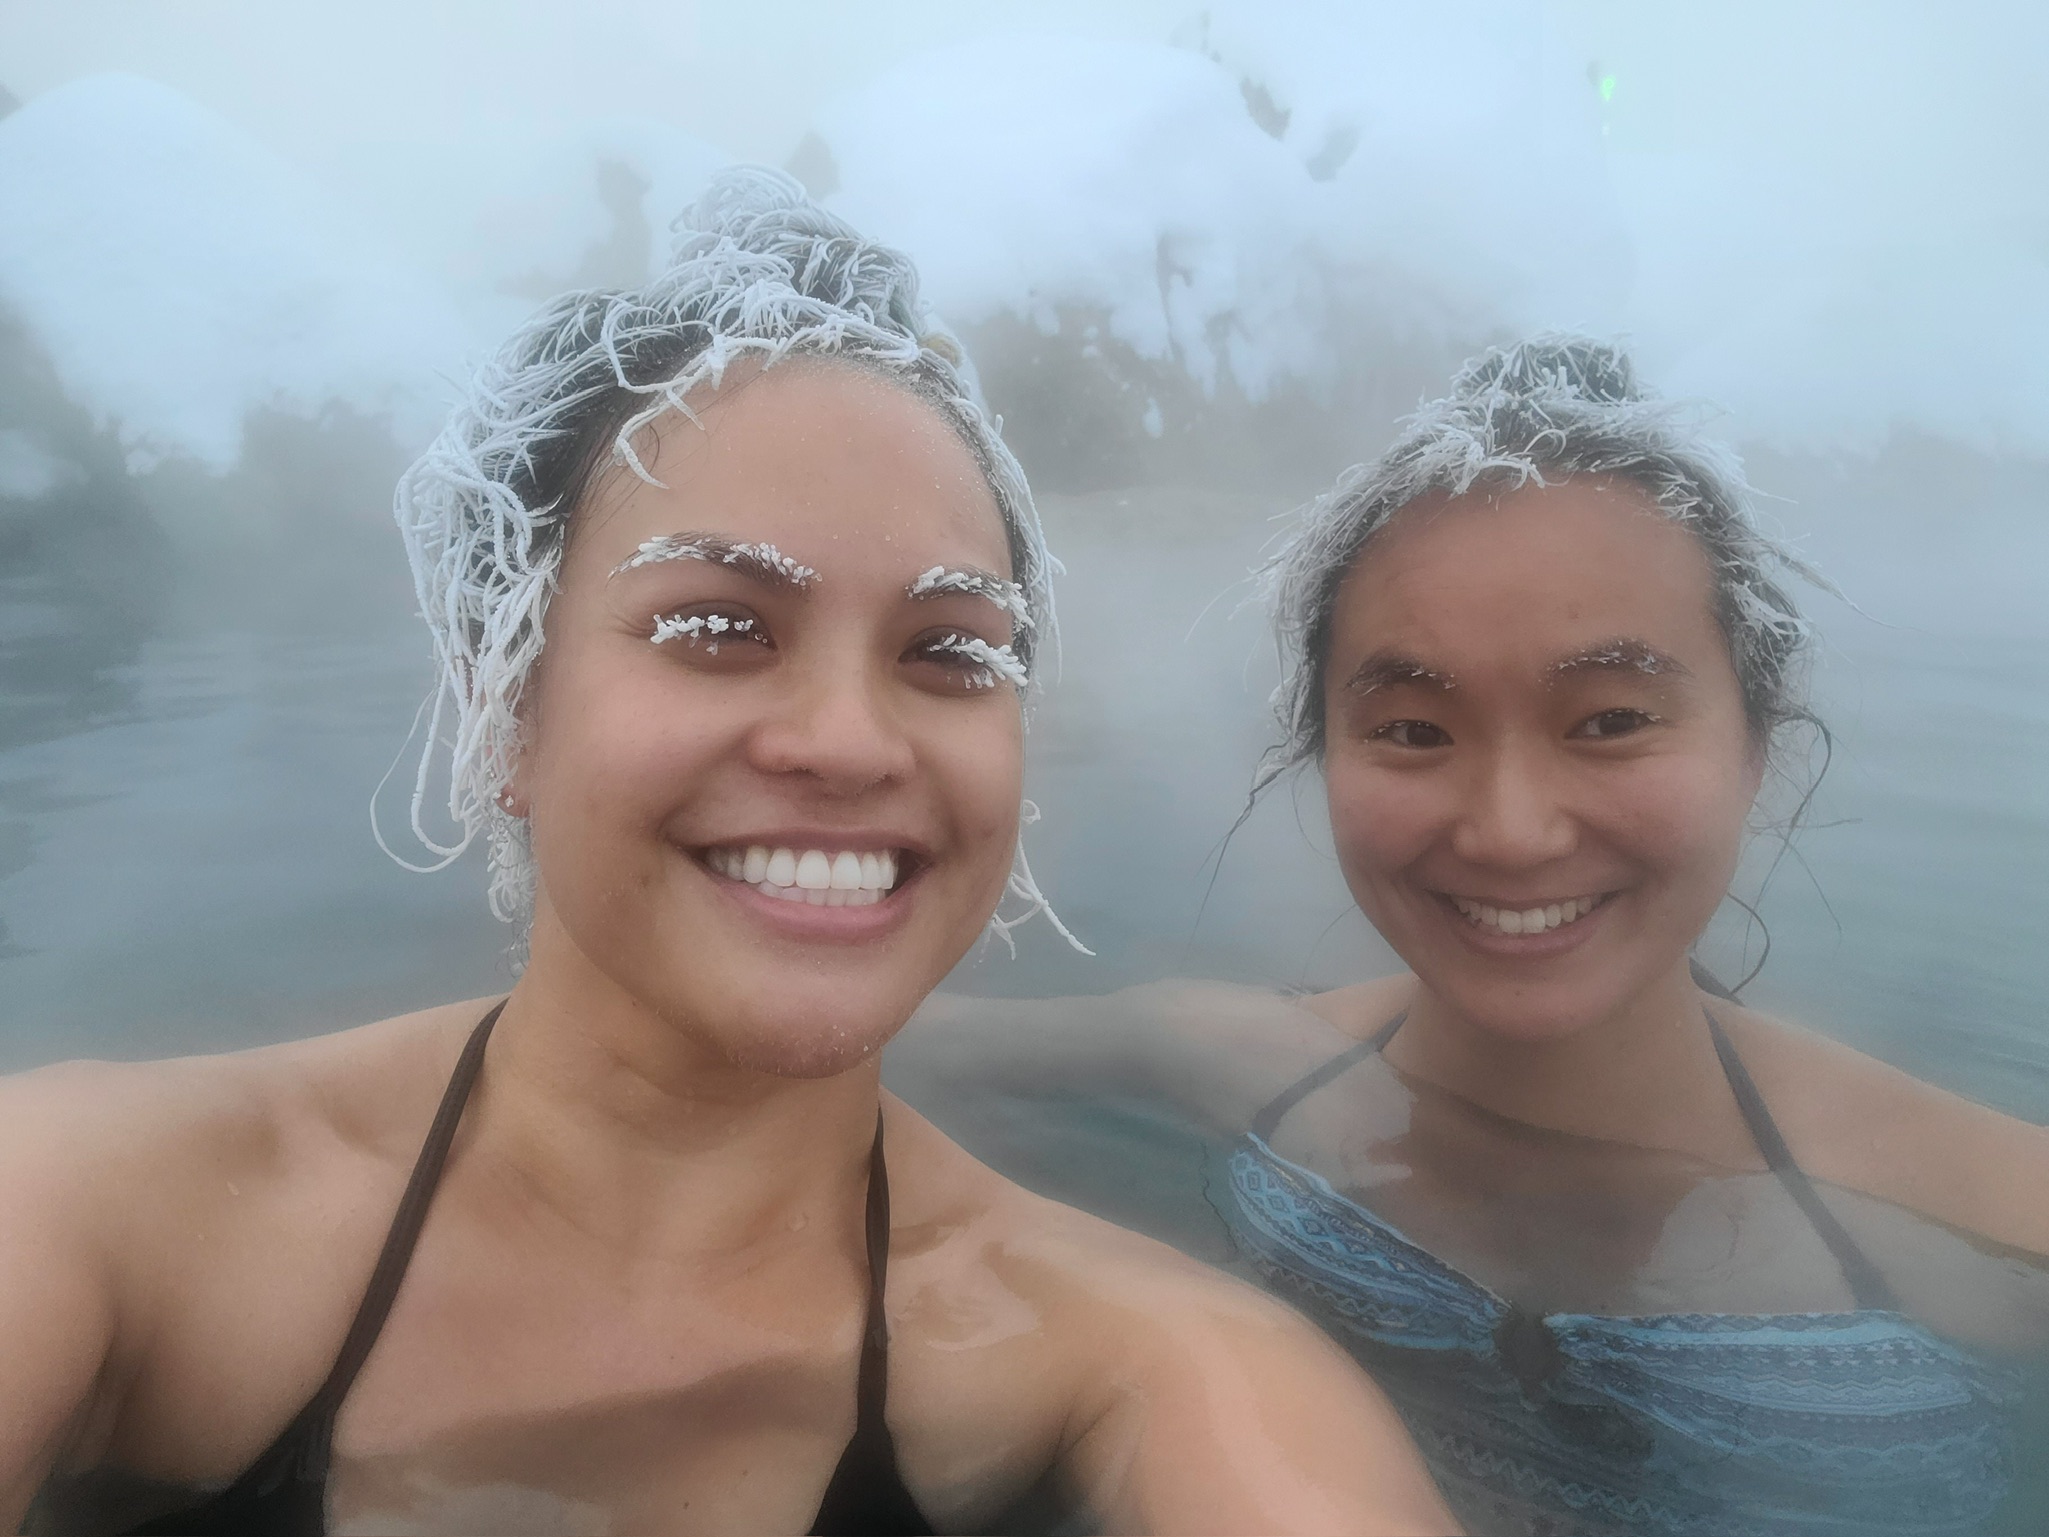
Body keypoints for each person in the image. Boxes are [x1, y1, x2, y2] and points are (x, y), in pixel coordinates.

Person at [0, 171, 1455, 1537]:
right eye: (717, 626)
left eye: (949, 652)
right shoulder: (95, 1212)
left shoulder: (1155, 1363)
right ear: (508, 700)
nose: (849, 741)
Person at [895, 337, 2049, 1536]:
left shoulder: (1986, 1215)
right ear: (1325, 753)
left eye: (1607, 719)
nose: (1509, 832)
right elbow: (878, 1056)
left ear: (1754, 747)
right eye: (1412, 730)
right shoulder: (1238, 1058)